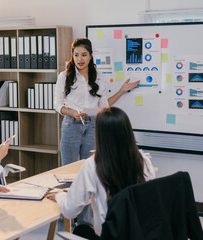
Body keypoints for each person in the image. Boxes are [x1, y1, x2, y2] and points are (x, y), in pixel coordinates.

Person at [47, 107, 155, 239]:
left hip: (110, 236)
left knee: (81, 230)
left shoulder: (93, 165)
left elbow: (70, 211)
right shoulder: (143, 160)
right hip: (140, 234)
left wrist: (60, 196)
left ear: (100, 133)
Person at [54, 38, 140, 166]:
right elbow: (57, 104)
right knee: (68, 169)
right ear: (72, 56)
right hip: (71, 125)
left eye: (84, 55)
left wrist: (122, 90)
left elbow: (104, 104)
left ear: (90, 56)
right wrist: (73, 113)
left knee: (91, 169)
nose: (80, 59)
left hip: (93, 126)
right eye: (76, 55)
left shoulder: (99, 77)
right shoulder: (64, 76)